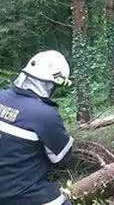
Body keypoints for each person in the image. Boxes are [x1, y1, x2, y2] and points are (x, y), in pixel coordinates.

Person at [0, 51, 74, 205]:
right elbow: (61, 157)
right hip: (20, 192)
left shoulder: (1, 96)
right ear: (50, 84)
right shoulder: (45, 114)